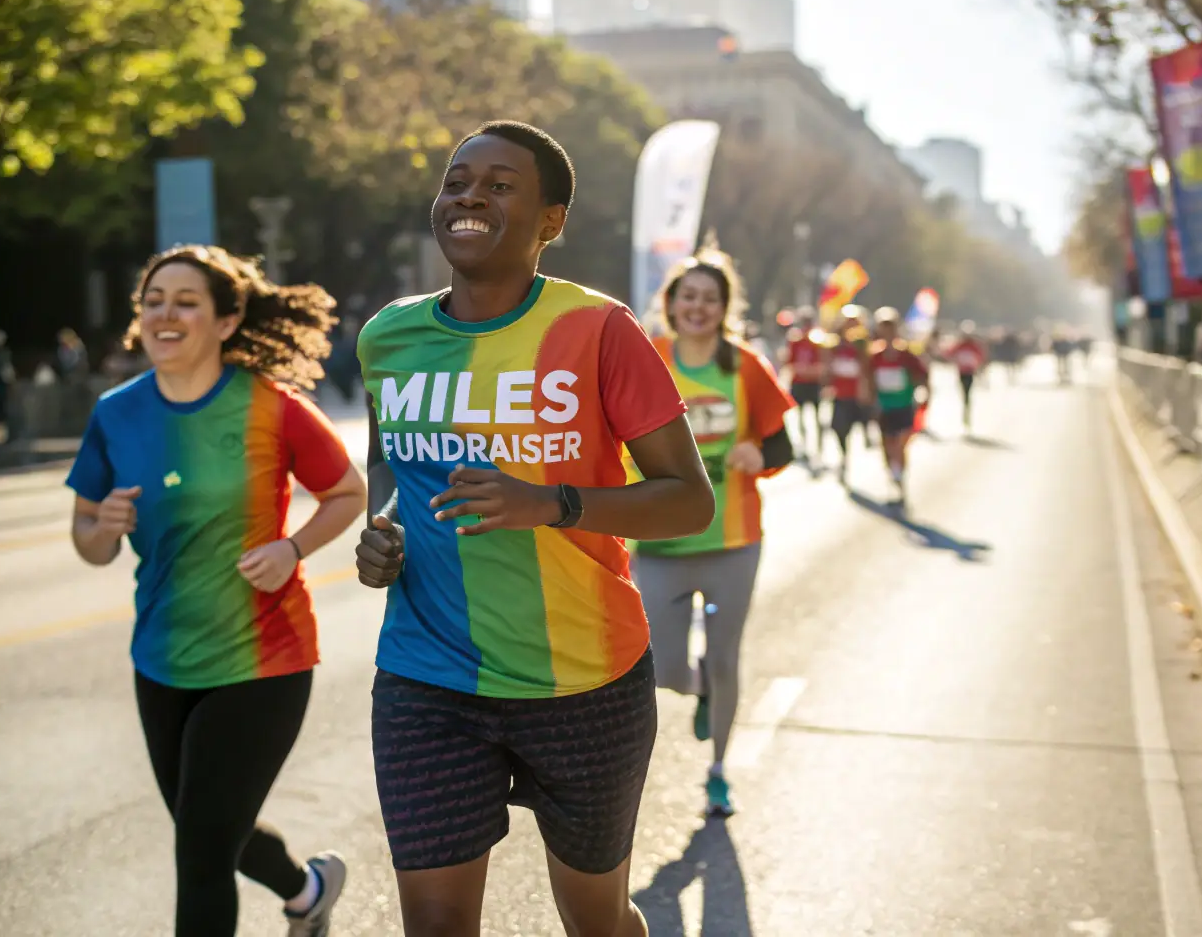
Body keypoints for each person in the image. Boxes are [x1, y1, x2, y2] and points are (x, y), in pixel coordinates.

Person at [352, 121, 715, 937]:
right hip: (427, 676)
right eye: (456, 180)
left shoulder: (598, 330)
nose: (469, 194)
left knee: (594, 918)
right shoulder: (388, 337)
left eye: (501, 184)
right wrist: (382, 530)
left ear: (550, 222)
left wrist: (553, 502)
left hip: (584, 681)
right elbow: (390, 465)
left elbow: (688, 500)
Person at [64, 245, 367, 937]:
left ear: (226, 321)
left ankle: (301, 891)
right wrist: (103, 527)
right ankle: (307, 889)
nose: (165, 313)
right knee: (206, 827)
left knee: (199, 851)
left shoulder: (269, 407)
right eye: (154, 299)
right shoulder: (116, 413)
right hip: (161, 659)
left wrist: (292, 548)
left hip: (263, 661)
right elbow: (87, 539)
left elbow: (347, 491)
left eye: (186, 300)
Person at [635, 248, 795, 818]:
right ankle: (696, 686)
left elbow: (782, 442)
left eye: (710, 298)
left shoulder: (744, 365)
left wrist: (759, 452)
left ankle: (719, 771)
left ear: (725, 307)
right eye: (689, 296)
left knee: (726, 658)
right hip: (657, 542)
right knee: (661, 664)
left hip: (733, 540)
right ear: (671, 303)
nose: (698, 307)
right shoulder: (646, 357)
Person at [867, 308, 928, 501]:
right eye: (883, 328)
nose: (887, 333)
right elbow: (869, 379)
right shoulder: (874, 354)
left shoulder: (907, 354)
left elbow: (922, 375)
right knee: (886, 444)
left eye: (890, 328)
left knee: (900, 445)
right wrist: (870, 398)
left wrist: (924, 394)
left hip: (904, 405)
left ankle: (900, 478)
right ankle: (892, 474)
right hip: (883, 407)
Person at [826, 305, 869, 482]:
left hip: (858, 395)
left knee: (863, 423)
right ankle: (844, 455)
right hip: (840, 394)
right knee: (838, 427)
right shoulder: (835, 343)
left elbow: (867, 367)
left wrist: (865, 388)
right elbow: (828, 365)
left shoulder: (862, 344)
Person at [779, 306, 824, 465]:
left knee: (818, 416)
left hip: (814, 383)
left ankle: (819, 447)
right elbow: (789, 361)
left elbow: (824, 362)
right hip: (799, 383)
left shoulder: (818, 339)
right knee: (800, 417)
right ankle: (804, 446)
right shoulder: (795, 340)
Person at [947, 321, 987, 430]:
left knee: (967, 393)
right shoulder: (960, 345)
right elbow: (949, 353)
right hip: (961, 372)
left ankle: (966, 409)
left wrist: (978, 367)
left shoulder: (974, 346)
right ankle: (966, 408)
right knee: (964, 392)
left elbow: (981, 357)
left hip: (970, 373)